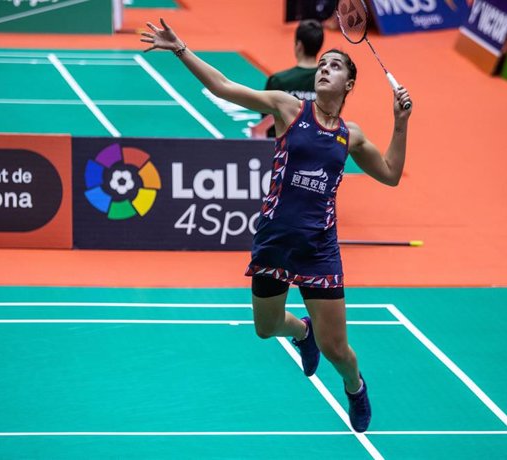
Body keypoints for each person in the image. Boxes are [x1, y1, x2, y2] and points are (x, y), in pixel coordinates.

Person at [141, 19, 412, 433]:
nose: (324, 69)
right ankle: (300, 332)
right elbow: (224, 87)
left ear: (349, 85)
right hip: (275, 240)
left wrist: (400, 121)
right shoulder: (289, 108)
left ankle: (355, 388)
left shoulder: (349, 135)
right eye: (323, 63)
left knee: (336, 348)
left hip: (319, 248)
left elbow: (392, 174)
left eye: (335, 66)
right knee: (266, 328)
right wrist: (182, 49)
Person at [252, 19, 324, 138]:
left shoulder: (278, 81)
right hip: (318, 143)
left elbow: (266, 117)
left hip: (282, 146)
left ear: (299, 45)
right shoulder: (330, 83)